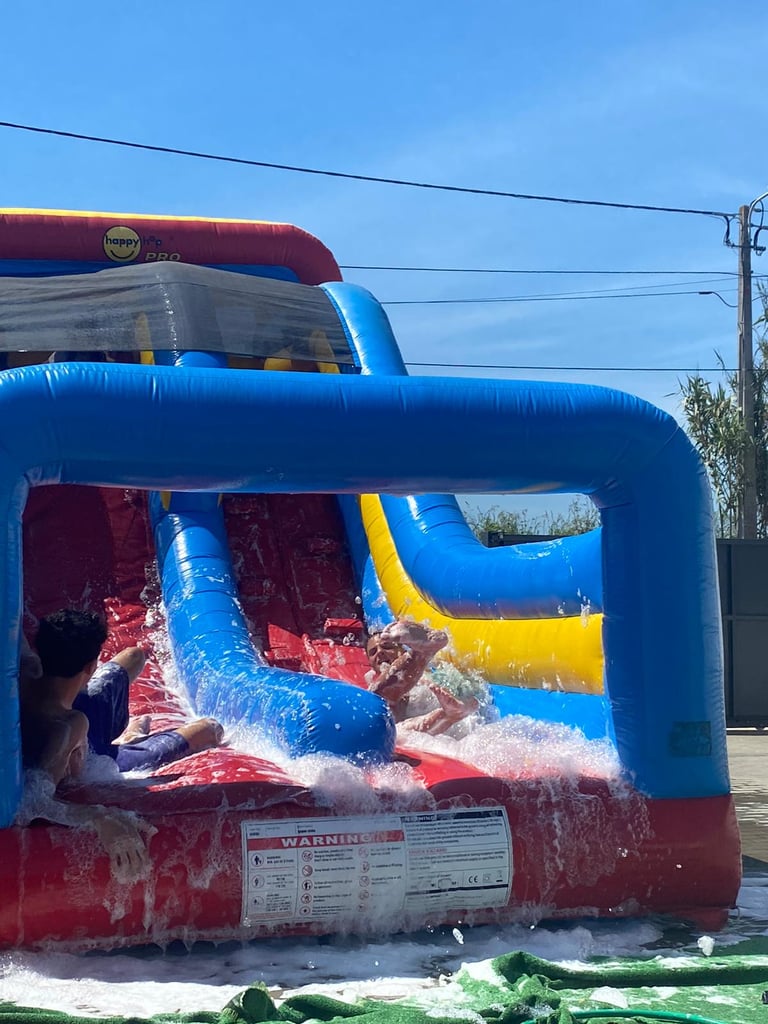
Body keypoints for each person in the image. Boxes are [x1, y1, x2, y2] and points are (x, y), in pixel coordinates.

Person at [18, 609, 224, 881]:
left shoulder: (25, 670)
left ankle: (132, 733)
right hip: (101, 757)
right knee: (210, 729)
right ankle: (132, 739)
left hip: (78, 709)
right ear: (91, 667)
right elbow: (35, 799)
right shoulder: (66, 727)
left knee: (134, 656)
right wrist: (100, 818)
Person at [365, 620, 479, 736]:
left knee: (375, 701)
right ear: (370, 663)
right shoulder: (375, 681)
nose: (380, 652)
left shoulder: (425, 678)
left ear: (402, 650)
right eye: (373, 652)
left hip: (446, 721)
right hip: (446, 721)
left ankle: (423, 653)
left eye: (387, 646)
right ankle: (450, 715)